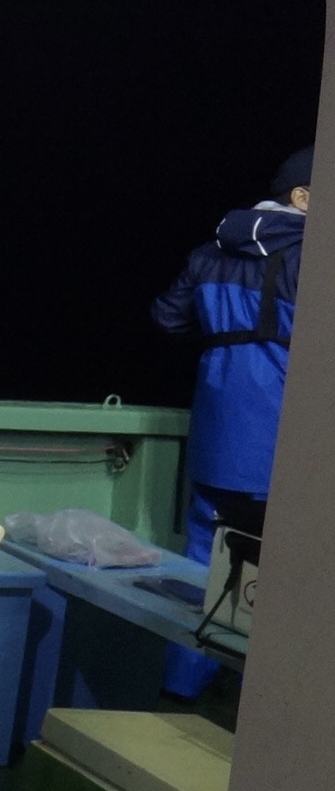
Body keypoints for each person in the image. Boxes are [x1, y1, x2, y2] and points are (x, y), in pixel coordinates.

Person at [153, 145, 311, 564]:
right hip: (280, 423)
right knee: (277, 552)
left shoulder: (211, 251)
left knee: (206, 540)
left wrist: (225, 337)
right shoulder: (311, 255)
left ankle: (193, 609)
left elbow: (168, 317)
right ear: (302, 197)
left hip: (217, 420)